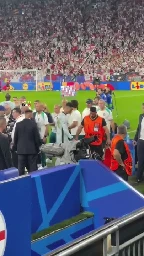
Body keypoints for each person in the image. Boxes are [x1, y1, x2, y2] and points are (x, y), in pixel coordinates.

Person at [13, 109, 41, 176]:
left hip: (21, 150)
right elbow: (37, 138)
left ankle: (20, 183)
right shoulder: (33, 124)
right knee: (32, 169)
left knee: (21, 169)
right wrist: (38, 148)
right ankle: (33, 183)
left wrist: (16, 148)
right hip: (32, 150)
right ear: (31, 115)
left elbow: (15, 138)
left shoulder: (18, 124)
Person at [34, 102, 49, 168]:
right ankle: (39, 164)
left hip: (42, 136)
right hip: (37, 136)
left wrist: (45, 136)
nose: (36, 107)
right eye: (36, 106)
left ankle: (44, 164)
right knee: (37, 150)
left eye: (37, 106)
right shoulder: (35, 114)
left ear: (41, 108)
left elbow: (47, 126)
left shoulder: (44, 115)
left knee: (42, 150)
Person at [133, 103, 144, 183]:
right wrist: (135, 139)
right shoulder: (141, 116)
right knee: (140, 160)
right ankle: (139, 177)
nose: (142, 109)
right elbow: (138, 128)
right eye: (142, 108)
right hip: (141, 141)